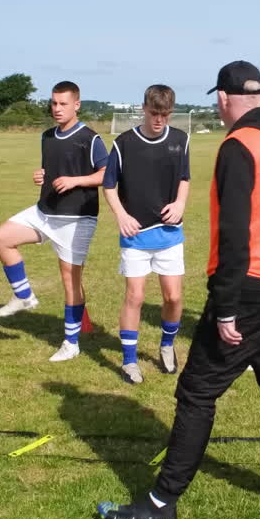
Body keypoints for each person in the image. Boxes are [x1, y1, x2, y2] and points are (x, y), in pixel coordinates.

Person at [98, 60, 260, 519]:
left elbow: (234, 233)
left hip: (248, 292)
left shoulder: (238, 145)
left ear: (224, 99)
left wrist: (225, 307)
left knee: (196, 392)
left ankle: (161, 504)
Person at [0, 81, 108, 362]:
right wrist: (41, 176)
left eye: (63, 104)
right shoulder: (47, 136)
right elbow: (53, 168)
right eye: (54, 103)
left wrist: (76, 180)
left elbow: (107, 174)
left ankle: (71, 343)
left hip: (76, 218)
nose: (57, 109)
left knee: (70, 281)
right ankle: (24, 296)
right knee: (1, 238)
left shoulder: (89, 138)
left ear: (76, 105)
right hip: (44, 212)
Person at [101, 84, 190, 385]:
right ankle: (129, 362)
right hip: (136, 235)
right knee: (135, 296)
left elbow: (184, 179)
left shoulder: (180, 140)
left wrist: (180, 203)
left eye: (164, 115)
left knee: (174, 297)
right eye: (154, 114)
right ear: (143, 108)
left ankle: (166, 346)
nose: (159, 120)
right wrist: (121, 216)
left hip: (169, 234)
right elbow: (109, 186)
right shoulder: (123, 144)